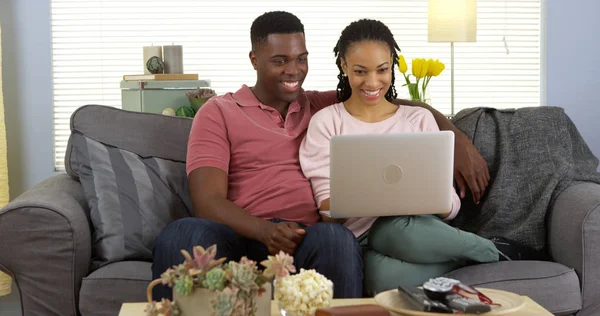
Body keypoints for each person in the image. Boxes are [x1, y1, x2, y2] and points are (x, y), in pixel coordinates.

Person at [152, 11, 490, 300]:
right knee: (180, 234)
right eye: (280, 61)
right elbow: (207, 202)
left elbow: (384, 98)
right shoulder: (218, 111)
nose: (294, 71)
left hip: (305, 237)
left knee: (337, 239)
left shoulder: (317, 104)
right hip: (240, 234)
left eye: (301, 59)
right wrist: (263, 231)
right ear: (254, 59)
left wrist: (455, 135)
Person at [298, 18, 504, 292]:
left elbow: (451, 206)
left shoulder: (418, 119)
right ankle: (478, 259)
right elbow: (327, 211)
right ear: (344, 66)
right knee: (380, 281)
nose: (372, 82)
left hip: (414, 229)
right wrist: (368, 196)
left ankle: (491, 252)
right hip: (362, 239)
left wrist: (436, 200)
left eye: (382, 69)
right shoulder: (327, 123)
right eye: (360, 71)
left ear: (393, 63)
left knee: (394, 228)